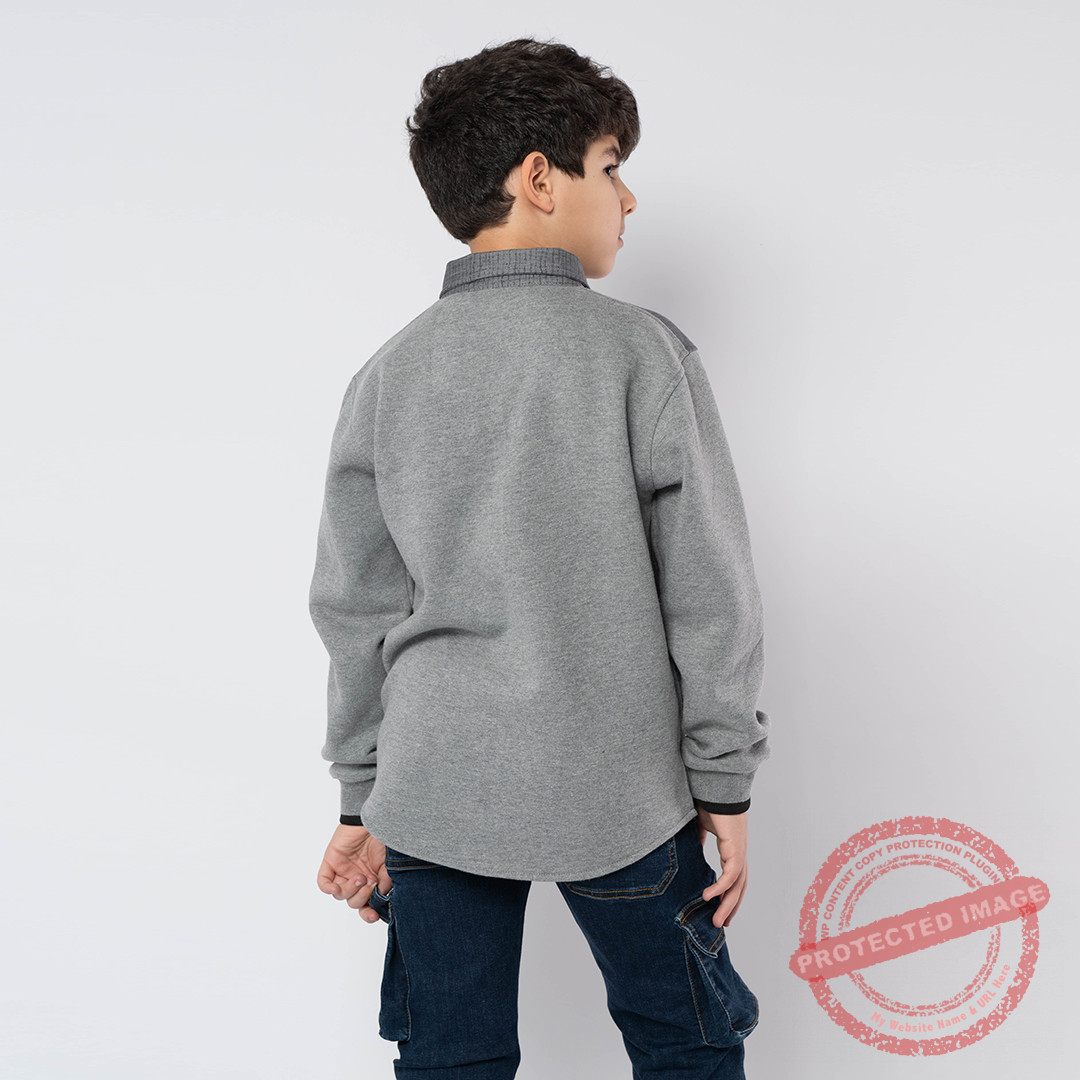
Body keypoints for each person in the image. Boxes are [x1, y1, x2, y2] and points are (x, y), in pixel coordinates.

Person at [310, 36, 772, 1079]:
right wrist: (724, 781)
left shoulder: (386, 374)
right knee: (687, 1044)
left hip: (433, 792)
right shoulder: (642, 352)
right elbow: (710, 591)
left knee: (450, 1059)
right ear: (539, 178)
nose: (629, 197)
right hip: (622, 790)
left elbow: (354, 609)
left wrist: (361, 797)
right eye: (610, 166)